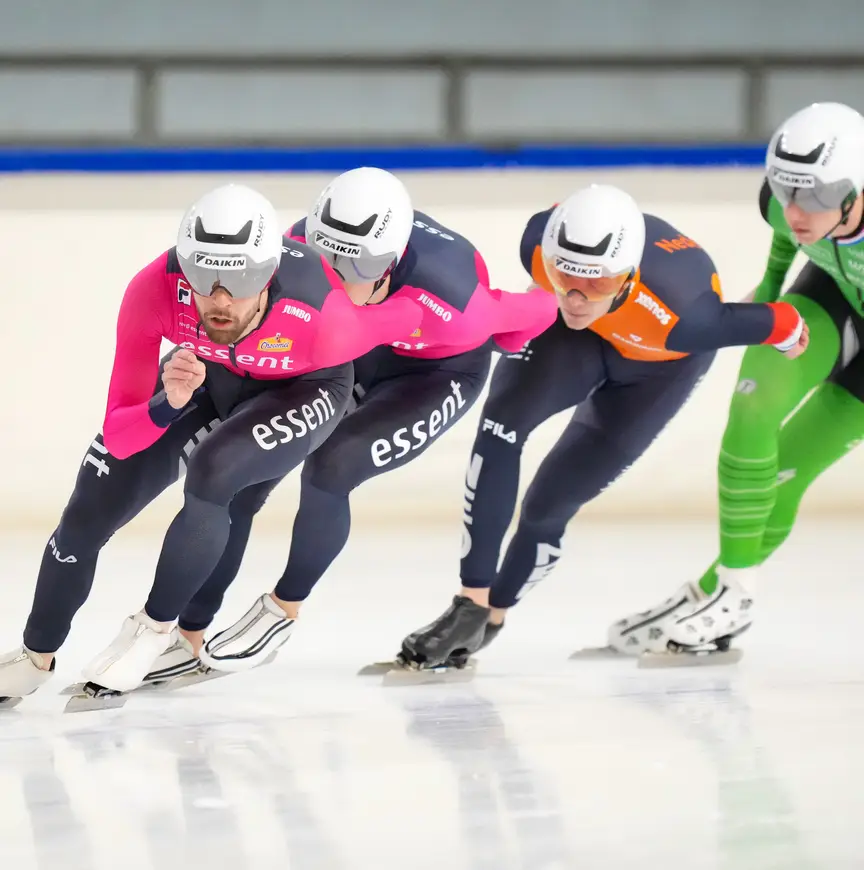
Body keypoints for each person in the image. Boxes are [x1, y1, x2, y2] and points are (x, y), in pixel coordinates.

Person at [0, 182, 424, 706]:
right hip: (201, 376)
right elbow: (119, 432)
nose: (220, 299)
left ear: (269, 272)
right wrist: (166, 404)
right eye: (204, 276)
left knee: (214, 472)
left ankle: (155, 631)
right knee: (86, 512)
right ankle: (34, 655)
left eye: (241, 279)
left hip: (304, 388)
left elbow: (410, 317)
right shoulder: (153, 288)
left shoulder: (325, 313)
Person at [138, 166, 559, 681]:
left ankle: (283, 608)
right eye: (326, 256)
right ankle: (189, 634)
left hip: (437, 373)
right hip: (350, 356)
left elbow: (537, 311)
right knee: (242, 478)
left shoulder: (457, 300)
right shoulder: (292, 243)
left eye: (355, 266)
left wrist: (504, 343)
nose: (335, 276)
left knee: (331, 469)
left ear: (390, 263)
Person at [385, 181, 812, 671]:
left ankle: (493, 617)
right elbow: (569, 276)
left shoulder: (690, 316)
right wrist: (562, 288)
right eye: (563, 274)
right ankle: (469, 605)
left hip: (658, 370)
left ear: (628, 278)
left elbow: (783, 321)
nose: (577, 297)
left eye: (598, 285)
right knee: (500, 429)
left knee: (548, 504)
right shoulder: (538, 243)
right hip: (575, 342)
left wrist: (788, 334)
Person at [609, 101, 864, 657]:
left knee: (786, 477)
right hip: (832, 299)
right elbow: (784, 239)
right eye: (787, 189)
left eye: (818, 197)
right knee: (753, 407)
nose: (799, 211)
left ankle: (708, 589)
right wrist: (770, 293)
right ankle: (735, 592)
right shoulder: (783, 204)